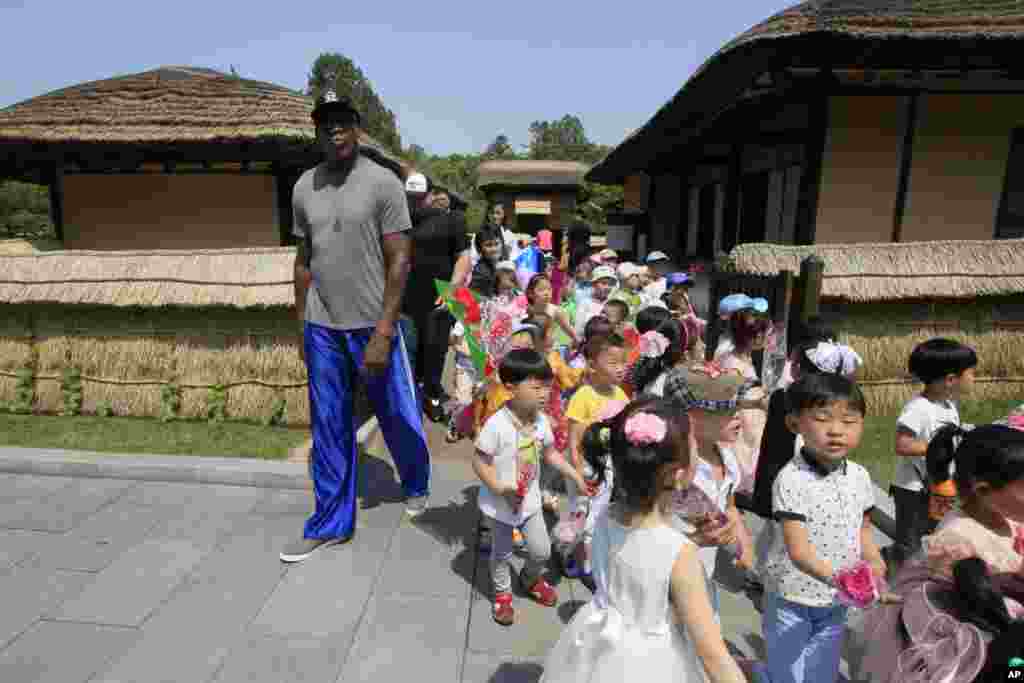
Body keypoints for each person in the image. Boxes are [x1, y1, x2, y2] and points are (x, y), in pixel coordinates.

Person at [282, 91, 430, 563]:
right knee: (328, 423)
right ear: (317, 131)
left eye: (343, 121)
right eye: (326, 123)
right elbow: (303, 260)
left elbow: (400, 259)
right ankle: (330, 523)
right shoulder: (304, 186)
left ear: (358, 129)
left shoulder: (383, 183)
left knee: (396, 413)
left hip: (372, 322)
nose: (335, 130)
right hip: (322, 324)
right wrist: (300, 320)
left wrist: (385, 331)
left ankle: (416, 480)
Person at [540, 398, 748, 683]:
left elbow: (640, 558)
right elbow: (714, 656)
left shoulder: (606, 516)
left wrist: (694, 540)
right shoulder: (681, 555)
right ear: (679, 474)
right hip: (655, 664)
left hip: (599, 647)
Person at [858, 420, 1024, 683]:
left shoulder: (1008, 517)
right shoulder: (956, 540)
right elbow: (970, 607)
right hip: (978, 650)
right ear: (983, 490)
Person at [755, 373, 886, 683]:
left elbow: (863, 530)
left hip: (836, 600)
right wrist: (843, 581)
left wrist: (874, 560)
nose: (836, 431)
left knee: (821, 671)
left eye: (849, 421)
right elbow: (798, 550)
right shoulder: (791, 480)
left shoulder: (859, 476)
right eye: (822, 419)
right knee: (788, 671)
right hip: (791, 595)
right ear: (794, 424)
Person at [474, 349, 590, 626]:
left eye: (547, 387)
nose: (545, 393)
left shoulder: (540, 421)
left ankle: (529, 577)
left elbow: (550, 454)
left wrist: (574, 474)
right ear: (511, 388)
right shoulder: (496, 425)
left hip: (530, 502)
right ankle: (502, 595)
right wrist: (499, 487)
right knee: (501, 554)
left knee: (541, 551)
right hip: (501, 505)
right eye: (536, 387)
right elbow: (480, 461)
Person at [664, 361, 757, 618]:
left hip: (703, 574)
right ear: (690, 418)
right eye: (727, 408)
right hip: (668, 580)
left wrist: (744, 540)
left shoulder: (726, 456)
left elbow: (729, 505)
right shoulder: (674, 470)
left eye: (737, 406)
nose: (738, 415)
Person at [890, 338, 978, 564]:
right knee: (910, 541)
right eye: (971, 373)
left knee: (933, 535)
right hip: (914, 490)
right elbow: (903, 444)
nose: (974, 379)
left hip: (938, 486)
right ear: (950, 380)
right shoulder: (919, 409)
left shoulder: (949, 406)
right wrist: (944, 446)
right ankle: (900, 584)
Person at [563, 333, 629, 591]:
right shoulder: (584, 396)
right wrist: (578, 468)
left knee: (595, 513)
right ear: (592, 365)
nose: (620, 368)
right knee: (581, 509)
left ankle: (578, 555)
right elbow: (574, 437)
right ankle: (574, 554)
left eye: (623, 362)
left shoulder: (622, 396)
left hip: (607, 463)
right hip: (585, 463)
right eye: (613, 363)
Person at [405, 183, 469, 422]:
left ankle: (432, 395)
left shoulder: (455, 220)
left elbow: (463, 257)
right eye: (413, 196)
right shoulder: (403, 219)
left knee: (435, 349)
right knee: (411, 351)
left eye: (423, 194)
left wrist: (452, 289)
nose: (419, 200)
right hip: (407, 296)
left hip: (440, 294)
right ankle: (412, 399)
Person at [574, 266, 617, 338]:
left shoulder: (613, 304)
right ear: (594, 284)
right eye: (603, 283)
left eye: (610, 284)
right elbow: (578, 330)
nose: (607, 287)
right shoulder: (585, 303)